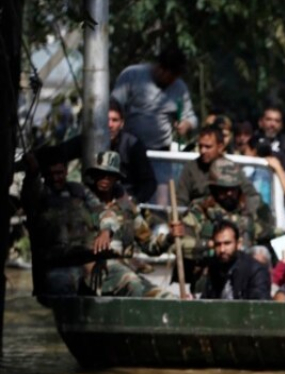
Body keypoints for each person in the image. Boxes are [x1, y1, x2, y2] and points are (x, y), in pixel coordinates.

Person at [20, 154, 151, 298]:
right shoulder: (39, 195)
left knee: (131, 283)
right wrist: (33, 173)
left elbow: (102, 211)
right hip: (57, 265)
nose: (55, 178)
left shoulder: (78, 191)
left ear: (66, 171)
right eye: (50, 174)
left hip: (85, 262)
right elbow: (30, 193)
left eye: (59, 173)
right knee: (61, 287)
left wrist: (106, 231)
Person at [36, 98, 158, 204]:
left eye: (115, 120)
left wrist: (132, 201)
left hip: (123, 202)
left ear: (122, 123)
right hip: (93, 203)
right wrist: (31, 159)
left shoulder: (132, 145)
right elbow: (60, 152)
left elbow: (149, 183)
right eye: (106, 119)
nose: (110, 125)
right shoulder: (88, 141)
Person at [171, 158, 266, 283]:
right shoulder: (200, 211)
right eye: (224, 190)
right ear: (213, 189)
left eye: (233, 189)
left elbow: (265, 232)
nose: (229, 194)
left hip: (243, 279)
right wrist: (210, 245)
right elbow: (179, 245)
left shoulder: (246, 211)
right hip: (208, 278)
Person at [111, 47, 197, 151]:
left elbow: (192, 118)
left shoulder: (180, 88)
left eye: (176, 76)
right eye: (170, 76)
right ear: (160, 68)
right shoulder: (132, 75)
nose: (173, 80)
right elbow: (114, 105)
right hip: (129, 147)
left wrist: (187, 124)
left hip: (160, 149)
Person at [174, 125, 264, 214]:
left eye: (208, 147)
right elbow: (180, 202)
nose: (202, 151)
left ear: (220, 147)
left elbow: (252, 196)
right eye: (200, 146)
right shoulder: (191, 169)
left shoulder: (232, 167)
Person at [202, 220, 271, 300]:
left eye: (227, 243)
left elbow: (259, 306)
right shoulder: (214, 269)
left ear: (238, 244)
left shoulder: (255, 271)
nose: (222, 249)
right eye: (218, 244)